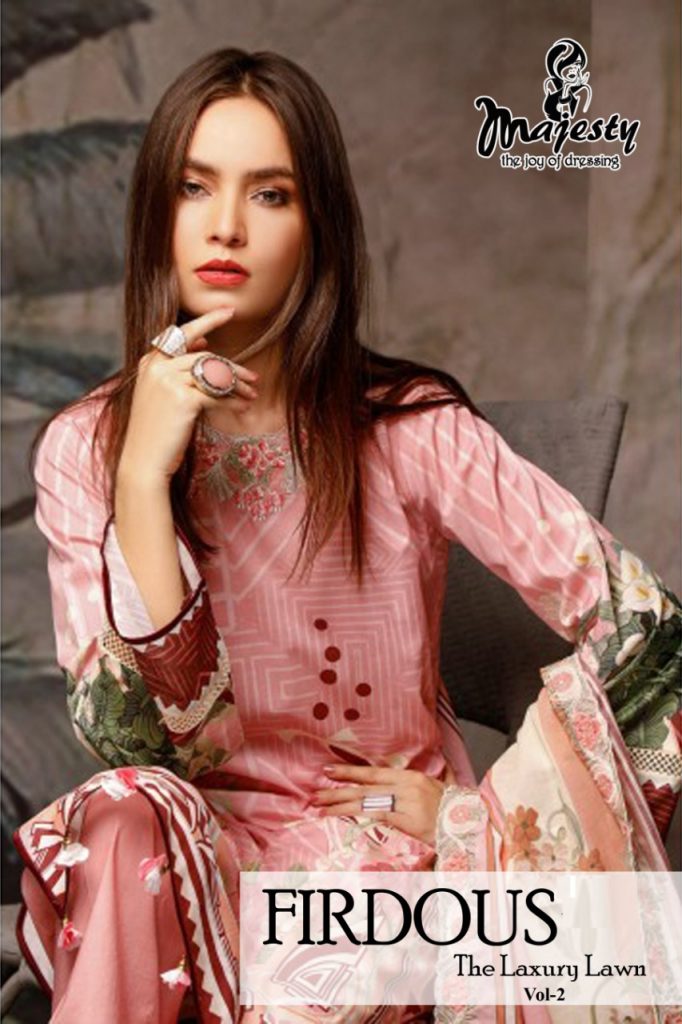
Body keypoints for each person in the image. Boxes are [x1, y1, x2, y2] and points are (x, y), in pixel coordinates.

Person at [13, 48, 681, 1024]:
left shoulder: (409, 430)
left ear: (317, 226)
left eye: (269, 193)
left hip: (378, 873)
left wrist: (479, 820)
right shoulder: (89, 448)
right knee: (119, 811)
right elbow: (145, 744)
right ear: (158, 210)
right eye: (195, 187)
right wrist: (143, 485)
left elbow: (652, 638)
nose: (225, 225)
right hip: (193, 870)